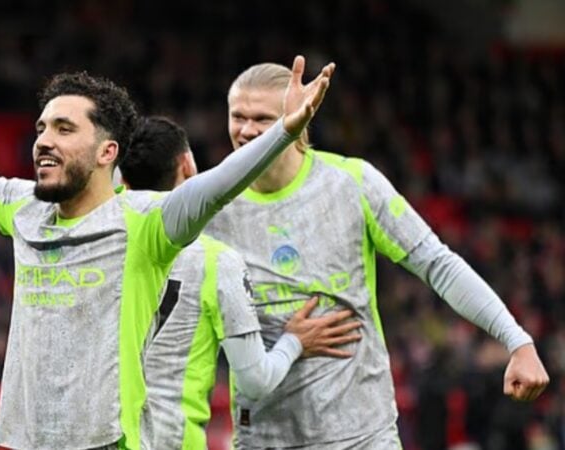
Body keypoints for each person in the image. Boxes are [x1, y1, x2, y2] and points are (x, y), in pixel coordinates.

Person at [0, 34, 334, 450]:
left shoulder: (146, 225)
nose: (44, 141)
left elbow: (214, 188)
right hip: (26, 442)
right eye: (41, 128)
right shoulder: (23, 208)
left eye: (64, 129)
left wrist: (284, 131)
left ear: (107, 153)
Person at [201, 62, 550, 449]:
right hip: (265, 438)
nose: (247, 130)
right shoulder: (208, 206)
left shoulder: (351, 183)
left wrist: (516, 340)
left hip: (363, 435)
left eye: (262, 119)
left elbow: (438, 264)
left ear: (297, 118)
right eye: (238, 117)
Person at [120, 117, 363, 449]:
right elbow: (255, 380)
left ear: (123, 178)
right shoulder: (215, 261)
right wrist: (294, 341)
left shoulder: (100, 243)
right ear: (188, 165)